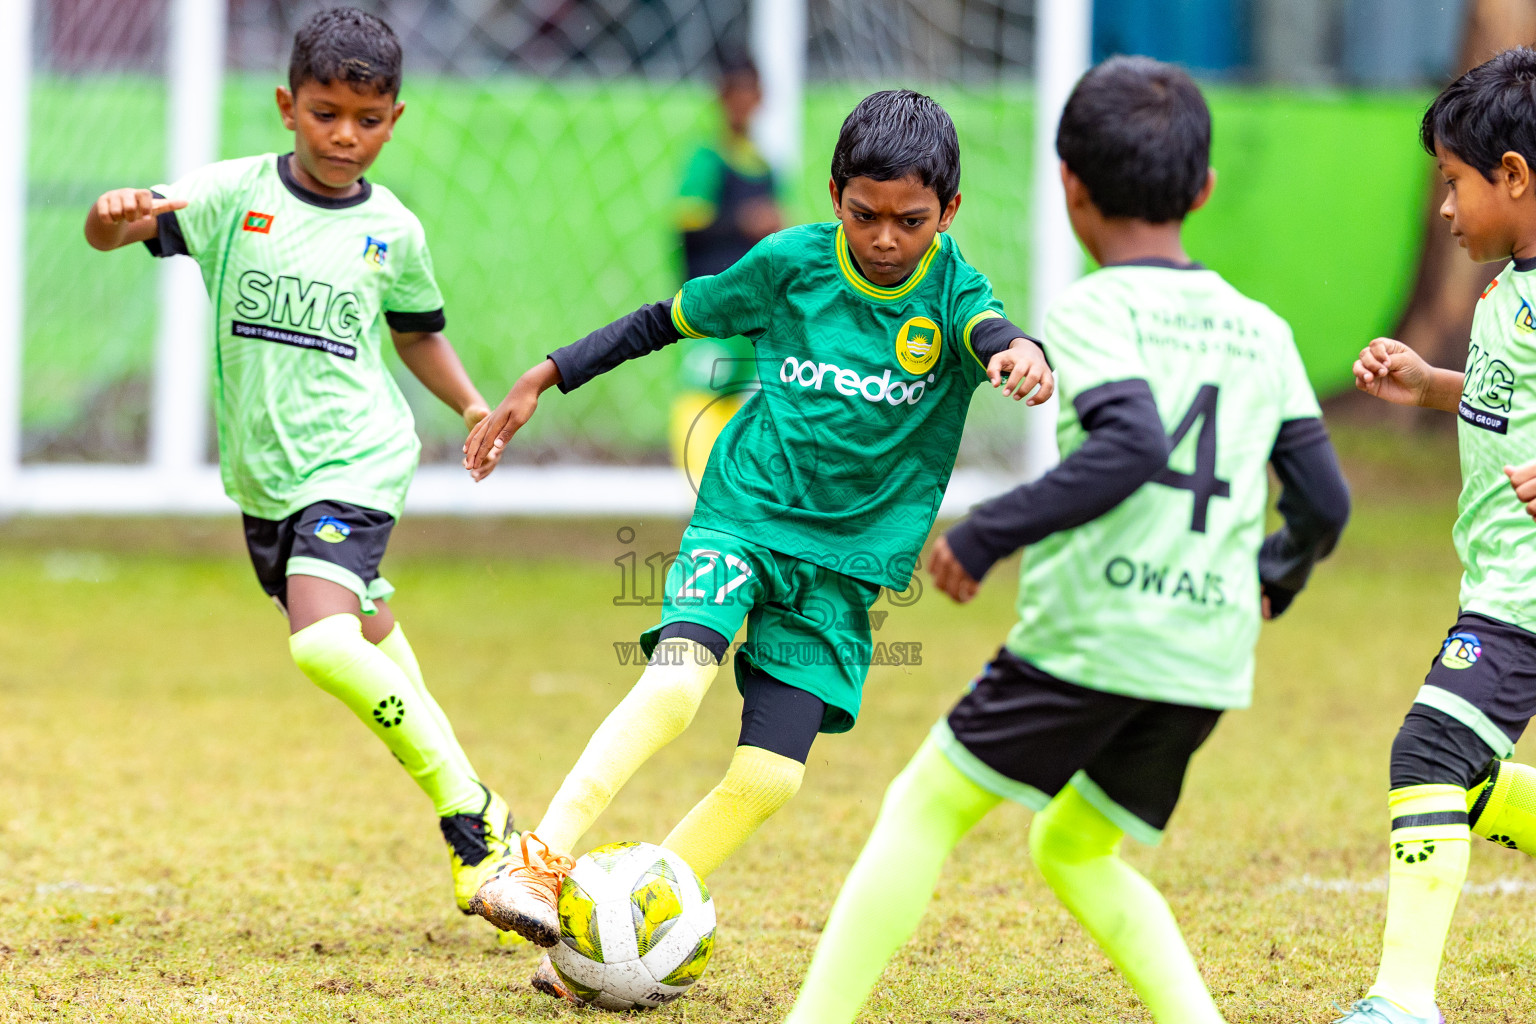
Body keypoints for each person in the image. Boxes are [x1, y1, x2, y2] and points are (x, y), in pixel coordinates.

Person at [782, 56, 1350, 1024]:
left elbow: (1132, 443)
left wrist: (991, 529)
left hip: (1094, 635)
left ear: (1068, 184)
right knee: (1075, 844)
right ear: (1205, 188)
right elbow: (1325, 501)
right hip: (1205, 654)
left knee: (925, 806)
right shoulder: (1265, 329)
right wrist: (1274, 576)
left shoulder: (1092, 309)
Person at [461, 89, 1055, 1002]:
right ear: (833, 196)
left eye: (911, 221)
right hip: (743, 515)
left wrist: (1024, 354)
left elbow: (993, 331)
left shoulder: (954, 291)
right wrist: (546, 373)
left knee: (772, 776)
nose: (885, 238)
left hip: (840, 570)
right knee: (672, 690)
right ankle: (535, 867)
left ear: (950, 214)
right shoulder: (789, 265)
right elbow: (666, 319)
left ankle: (620, 935)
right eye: (864, 215)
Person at [83, 7, 519, 919]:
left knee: (321, 641)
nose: (346, 136)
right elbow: (114, 236)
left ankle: (470, 818)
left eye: (368, 120)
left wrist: (473, 404)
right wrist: (108, 215)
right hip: (264, 477)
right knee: (371, 647)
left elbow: (417, 335)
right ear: (289, 105)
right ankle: (491, 817)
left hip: (359, 458)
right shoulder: (230, 194)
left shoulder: (394, 231)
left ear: (394, 119)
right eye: (326, 113)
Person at [1336, 47, 1536, 1024]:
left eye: (1453, 185)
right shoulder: (1509, 289)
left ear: (1514, 177)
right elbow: (1512, 400)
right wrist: (1432, 384)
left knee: (1428, 755)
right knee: (1467, 773)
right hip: (1501, 580)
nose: (1446, 210)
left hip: (1524, 597)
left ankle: (1402, 1001)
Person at [670, 54, 783, 479]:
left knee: (740, 398)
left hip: (752, 307)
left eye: (748, 94)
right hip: (711, 303)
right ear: (721, 99)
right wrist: (741, 222)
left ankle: (732, 494)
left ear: (760, 98)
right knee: (701, 393)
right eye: (732, 94)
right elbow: (686, 228)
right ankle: (695, 491)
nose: (741, 103)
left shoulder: (765, 167)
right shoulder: (707, 159)